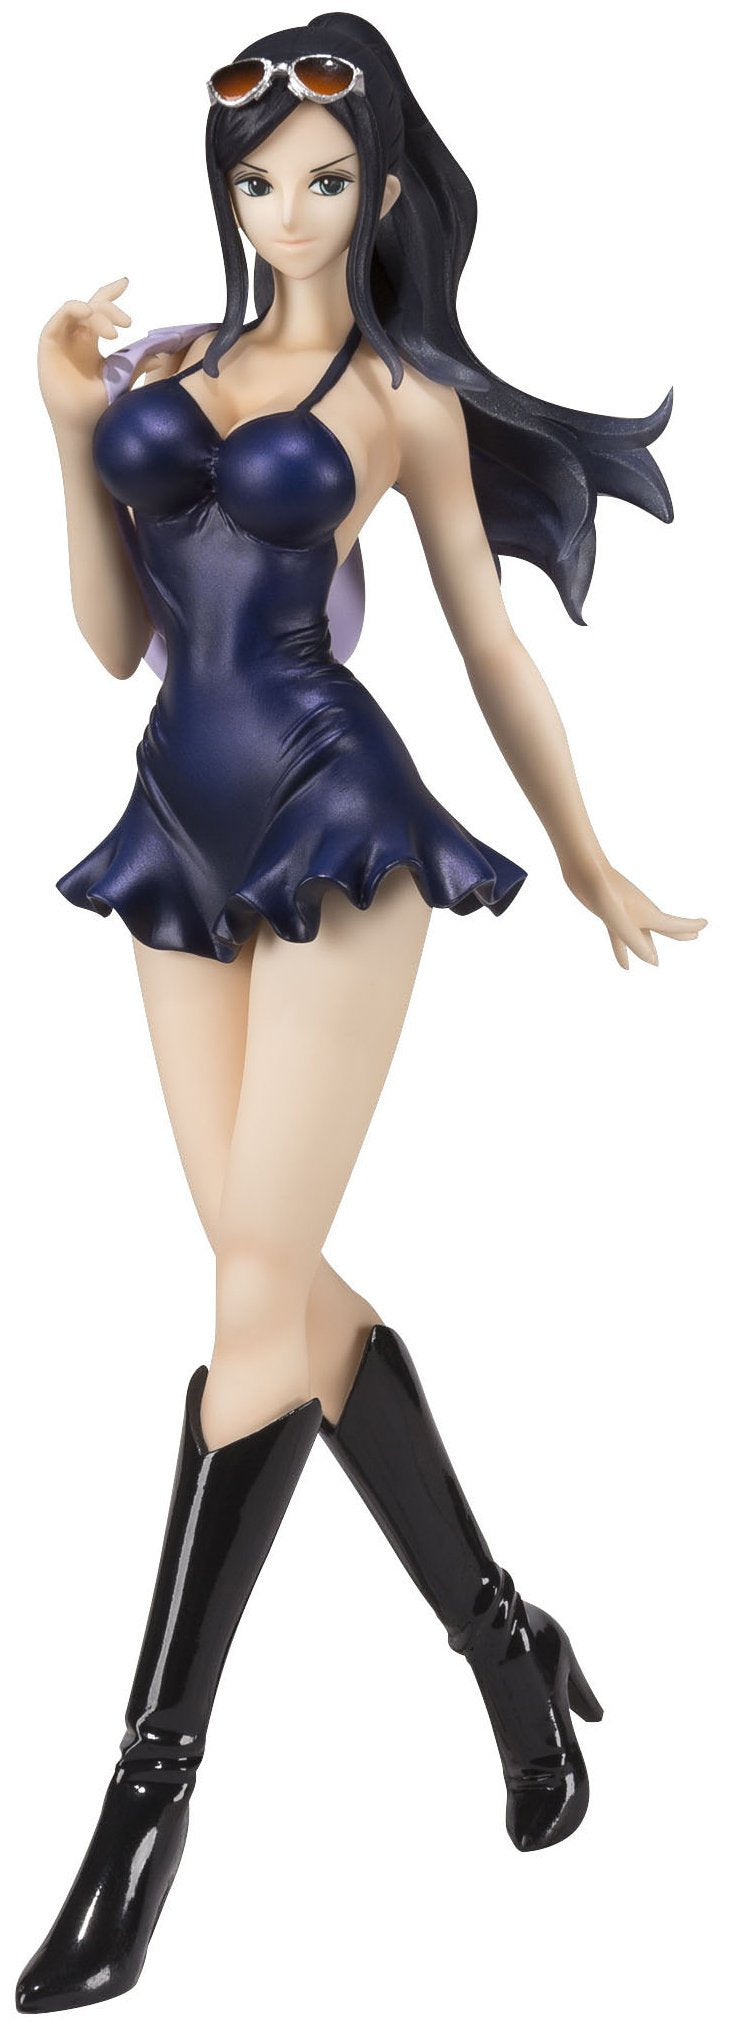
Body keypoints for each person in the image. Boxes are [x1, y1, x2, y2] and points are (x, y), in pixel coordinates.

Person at [18, 11, 706, 2014]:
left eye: (323, 179)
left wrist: (582, 851)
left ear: (381, 190)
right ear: (224, 192)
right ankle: (505, 1644)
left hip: (336, 817)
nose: (288, 210)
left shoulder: (397, 399)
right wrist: (57, 423)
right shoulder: (161, 371)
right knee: (270, 1285)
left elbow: (484, 635)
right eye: (257, 182)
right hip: (176, 819)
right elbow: (113, 640)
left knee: (250, 1290)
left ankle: (141, 1810)